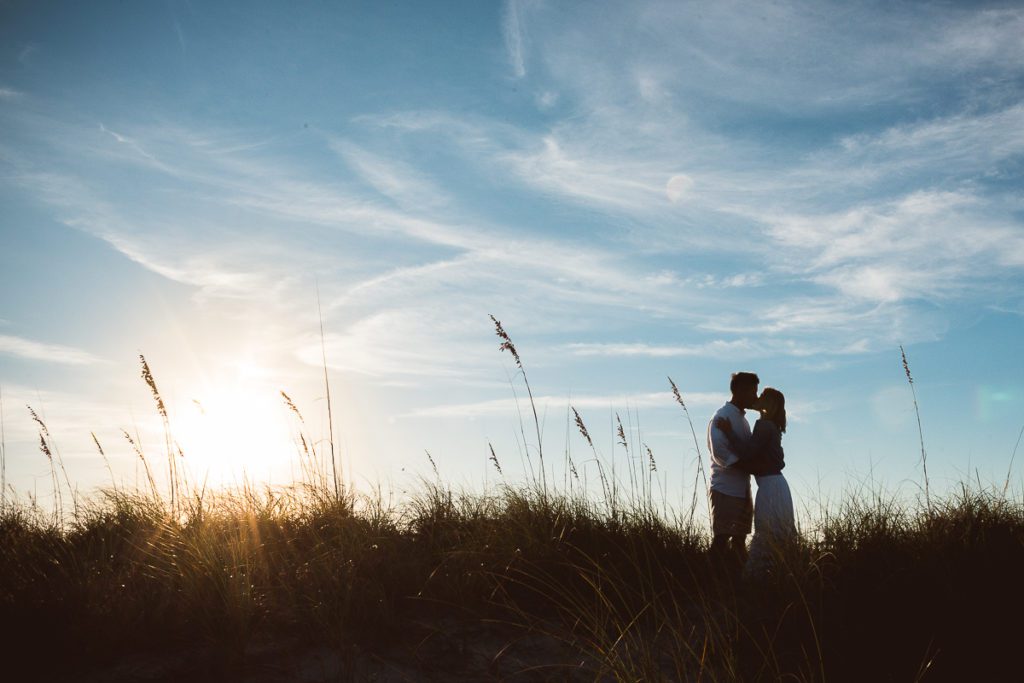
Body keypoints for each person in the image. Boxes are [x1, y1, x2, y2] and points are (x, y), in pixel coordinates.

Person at [716, 387, 796, 575]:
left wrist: (728, 432)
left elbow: (747, 452)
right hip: (778, 486)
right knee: (779, 533)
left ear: (770, 404)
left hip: (769, 487)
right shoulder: (772, 426)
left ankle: (754, 579)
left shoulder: (764, 426)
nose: (757, 398)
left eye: (762, 397)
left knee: (767, 532)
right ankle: (779, 574)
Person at [706, 371, 759, 569]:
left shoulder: (742, 420)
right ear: (740, 391)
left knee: (739, 540)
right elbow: (720, 453)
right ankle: (708, 581)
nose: (755, 397)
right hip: (725, 489)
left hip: (743, 489)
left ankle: (737, 581)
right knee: (721, 539)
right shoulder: (721, 416)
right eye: (753, 392)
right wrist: (750, 467)